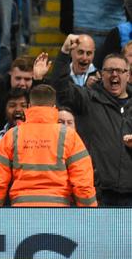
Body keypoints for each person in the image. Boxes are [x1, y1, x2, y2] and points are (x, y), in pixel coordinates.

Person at [47, 34, 132, 206]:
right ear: (101, 73)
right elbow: (60, 88)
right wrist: (64, 53)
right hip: (98, 194)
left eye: (120, 71)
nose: (114, 74)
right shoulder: (88, 99)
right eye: (109, 70)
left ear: (128, 75)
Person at [0, 84, 98, 207]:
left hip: (22, 213)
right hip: (59, 214)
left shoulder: (13, 135)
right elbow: (83, 184)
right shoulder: (69, 136)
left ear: (29, 106)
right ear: (54, 107)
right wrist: (88, 216)